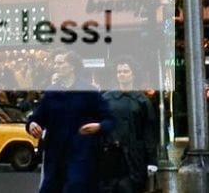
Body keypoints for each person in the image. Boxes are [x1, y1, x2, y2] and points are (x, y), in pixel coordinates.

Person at [27, 50, 114, 193]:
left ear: (72, 66)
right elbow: (38, 117)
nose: (56, 66)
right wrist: (32, 124)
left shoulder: (89, 91)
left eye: (60, 63)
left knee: (75, 187)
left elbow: (109, 119)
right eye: (55, 63)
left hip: (81, 154)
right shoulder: (51, 92)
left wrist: (99, 126)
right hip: (55, 155)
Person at [100, 58, 157, 193]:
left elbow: (149, 131)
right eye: (119, 71)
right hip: (110, 154)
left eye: (125, 71)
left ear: (133, 74)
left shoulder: (142, 100)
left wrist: (152, 161)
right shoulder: (107, 98)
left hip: (134, 155)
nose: (121, 74)